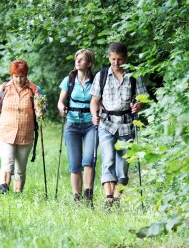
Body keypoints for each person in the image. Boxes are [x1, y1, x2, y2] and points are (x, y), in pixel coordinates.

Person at [90, 42, 148, 207]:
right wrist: (95, 114)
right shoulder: (101, 76)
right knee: (107, 158)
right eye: (113, 59)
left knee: (123, 163)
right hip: (106, 123)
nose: (116, 63)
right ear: (109, 57)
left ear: (126, 58)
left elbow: (142, 99)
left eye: (120, 59)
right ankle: (108, 198)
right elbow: (94, 101)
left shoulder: (135, 76)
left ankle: (117, 198)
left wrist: (138, 105)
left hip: (126, 124)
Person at [0, 60, 42, 194]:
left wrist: (40, 109)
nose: (18, 79)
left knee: (20, 169)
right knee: (7, 163)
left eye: (21, 76)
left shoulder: (33, 89)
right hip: (6, 133)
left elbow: (39, 111)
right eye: (15, 76)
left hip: (26, 135)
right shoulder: (4, 88)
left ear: (26, 75)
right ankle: (4, 190)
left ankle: (18, 194)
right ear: (12, 75)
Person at [57, 49, 96, 204]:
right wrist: (61, 108)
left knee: (88, 160)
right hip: (72, 124)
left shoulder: (95, 80)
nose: (78, 61)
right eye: (77, 59)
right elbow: (61, 101)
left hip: (90, 124)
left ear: (90, 63)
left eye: (82, 59)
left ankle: (88, 194)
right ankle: (77, 197)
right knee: (74, 163)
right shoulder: (69, 80)